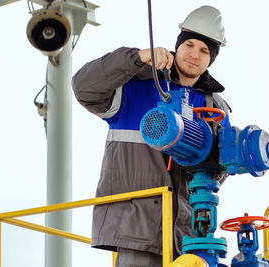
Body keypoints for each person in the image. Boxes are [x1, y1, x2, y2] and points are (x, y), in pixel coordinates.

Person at [72, 5, 231, 267]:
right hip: (137, 229)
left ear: (211, 58)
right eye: (189, 45)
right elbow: (83, 87)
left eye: (204, 51)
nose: (194, 55)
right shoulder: (136, 86)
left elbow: (217, 173)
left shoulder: (216, 109)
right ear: (177, 45)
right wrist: (136, 58)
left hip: (190, 239)